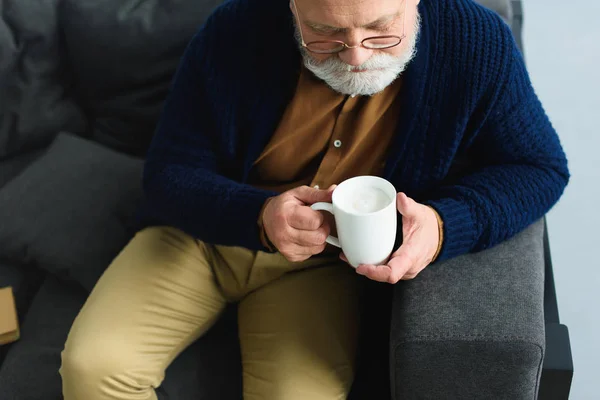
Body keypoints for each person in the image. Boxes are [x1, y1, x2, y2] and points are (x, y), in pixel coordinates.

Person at [59, 0, 569, 398]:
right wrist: (257, 214)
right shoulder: (233, 29)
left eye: (380, 28)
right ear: (292, 9)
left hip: (321, 268)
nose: (356, 55)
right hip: (196, 238)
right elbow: (168, 171)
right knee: (93, 368)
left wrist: (442, 225)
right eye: (325, 34)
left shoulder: (476, 41)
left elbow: (538, 167)